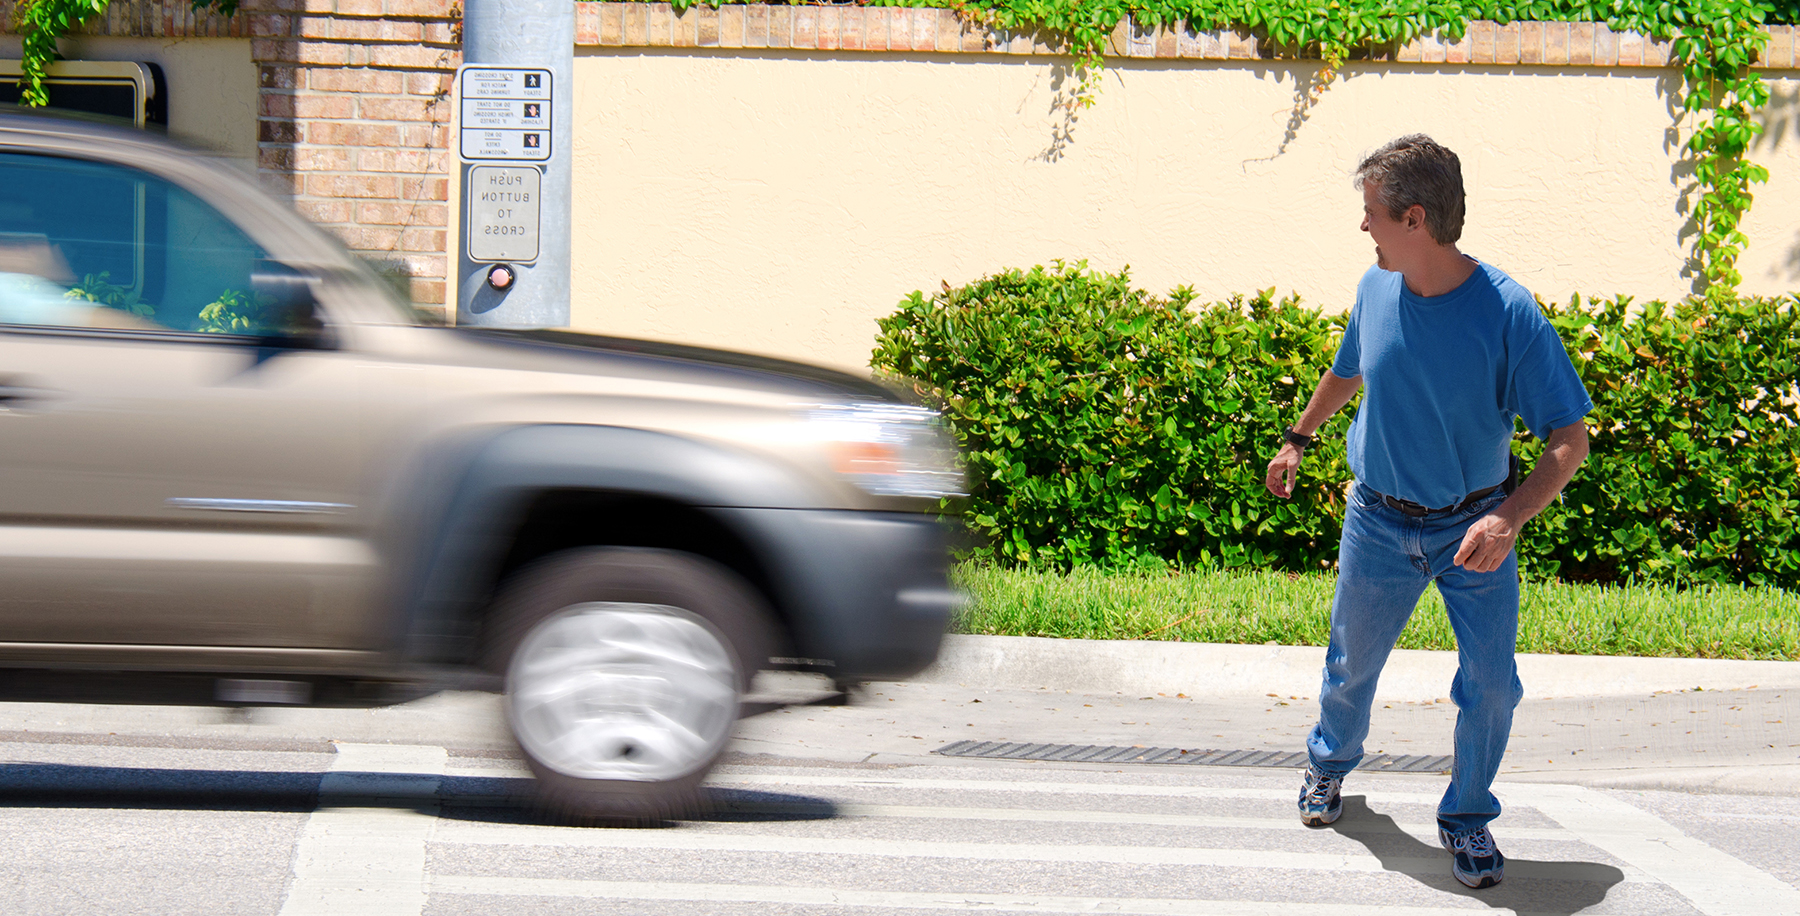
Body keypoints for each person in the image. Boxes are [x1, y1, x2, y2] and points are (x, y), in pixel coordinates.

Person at [1263, 135, 1592, 890]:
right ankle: (1328, 765)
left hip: (1473, 528)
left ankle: (1468, 816)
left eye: (1371, 213)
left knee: (1492, 683)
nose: (1363, 227)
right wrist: (1298, 439)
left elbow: (1569, 440)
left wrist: (1509, 518)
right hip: (1377, 519)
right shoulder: (1376, 286)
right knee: (1351, 664)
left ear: (1415, 218)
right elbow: (1349, 368)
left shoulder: (1508, 313)